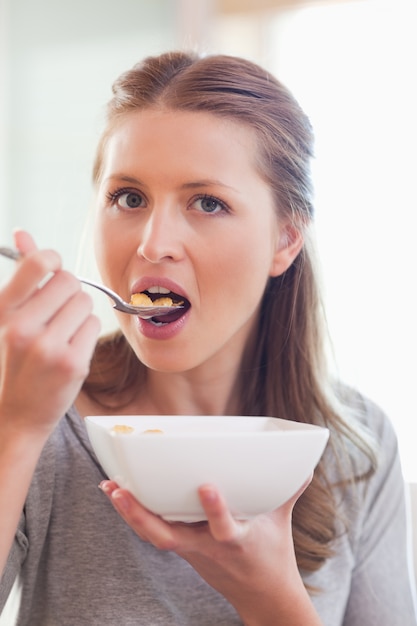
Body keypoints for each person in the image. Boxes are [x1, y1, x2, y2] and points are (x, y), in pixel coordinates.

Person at [0, 51, 415, 626]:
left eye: (208, 203)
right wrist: (15, 429)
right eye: (129, 197)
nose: (154, 243)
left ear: (285, 240)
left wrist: (272, 604)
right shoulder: (36, 415)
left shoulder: (357, 446)